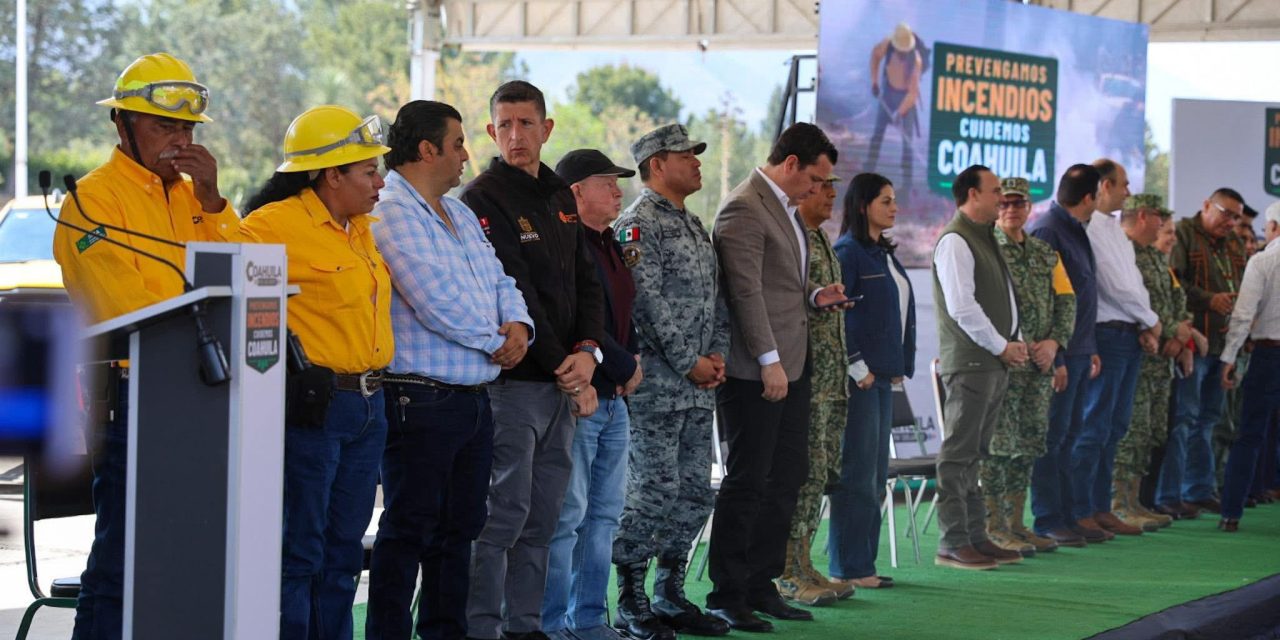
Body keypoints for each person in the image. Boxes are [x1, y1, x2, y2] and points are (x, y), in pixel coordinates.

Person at [52, 52, 238, 640]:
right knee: (123, 557)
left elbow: (243, 273)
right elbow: (123, 306)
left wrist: (211, 201)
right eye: (164, 126)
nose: (179, 141)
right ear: (123, 125)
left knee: (190, 552)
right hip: (133, 393)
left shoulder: (190, 197)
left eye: (187, 129)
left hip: (204, 389)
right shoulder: (90, 201)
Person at [364, 100, 532, 640]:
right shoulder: (390, 209)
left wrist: (520, 327)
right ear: (426, 149)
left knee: (459, 531)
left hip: (472, 398)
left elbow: (501, 279)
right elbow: (433, 298)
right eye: (458, 143)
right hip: (419, 397)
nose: (466, 154)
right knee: (409, 530)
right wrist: (495, 342)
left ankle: (443, 633)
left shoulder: (456, 211)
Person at [238, 105, 393, 639]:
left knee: (344, 551)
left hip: (370, 405)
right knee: (299, 550)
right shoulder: (269, 228)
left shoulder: (362, 229)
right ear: (331, 175)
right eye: (369, 171)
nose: (379, 182)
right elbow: (227, 298)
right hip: (313, 410)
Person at [459, 80, 606, 640]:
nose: (515, 135)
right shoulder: (483, 197)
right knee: (503, 517)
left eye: (526, 123)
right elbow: (515, 293)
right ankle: (483, 628)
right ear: (491, 131)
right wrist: (567, 369)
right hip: (516, 383)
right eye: (504, 125)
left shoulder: (559, 193)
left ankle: (526, 627)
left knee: (545, 518)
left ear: (547, 129)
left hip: (563, 382)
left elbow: (585, 281)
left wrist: (588, 354)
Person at [707, 122, 847, 631]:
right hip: (756, 370)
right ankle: (728, 592)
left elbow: (780, 286)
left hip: (792, 362)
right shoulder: (744, 207)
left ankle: (762, 583)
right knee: (748, 481)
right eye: (813, 177)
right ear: (789, 164)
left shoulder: (786, 211)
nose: (817, 189)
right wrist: (768, 361)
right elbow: (745, 294)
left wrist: (814, 297)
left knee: (787, 477)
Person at [610, 124, 731, 640]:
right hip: (660, 386)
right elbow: (645, 303)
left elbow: (716, 299)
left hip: (699, 387)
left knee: (692, 493)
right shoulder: (637, 224)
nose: (697, 163)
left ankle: (671, 591)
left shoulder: (694, 224)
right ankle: (630, 599)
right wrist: (689, 362)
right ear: (657, 164)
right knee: (652, 491)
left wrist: (718, 354)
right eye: (688, 155)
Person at [541, 148, 642, 640]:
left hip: (615, 399)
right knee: (569, 517)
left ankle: (588, 620)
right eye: (608, 182)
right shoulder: (567, 245)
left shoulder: (609, 244)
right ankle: (552, 623)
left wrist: (634, 358)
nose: (619, 191)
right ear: (577, 191)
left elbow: (624, 310)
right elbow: (584, 318)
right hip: (582, 397)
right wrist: (627, 363)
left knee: (603, 517)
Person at [930, 164, 1026, 570]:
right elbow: (962, 307)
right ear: (972, 194)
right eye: (994, 191)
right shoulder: (956, 241)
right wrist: (1003, 345)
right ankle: (953, 542)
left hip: (989, 362)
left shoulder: (983, 237)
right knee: (958, 455)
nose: (1001, 197)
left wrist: (1008, 345)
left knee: (975, 454)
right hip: (972, 362)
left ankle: (975, 536)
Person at [980, 177, 1075, 556]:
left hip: (1039, 365)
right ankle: (993, 526)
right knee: (999, 447)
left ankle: (1017, 523)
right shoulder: (986, 249)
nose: (1011, 210)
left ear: (1029, 207)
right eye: (1004, 203)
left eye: (1018, 204)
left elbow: (1066, 300)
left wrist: (1055, 344)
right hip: (1002, 362)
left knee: (1030, 444)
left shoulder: (1045, 254)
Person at [829, 172, 916, 587]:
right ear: (863, 205)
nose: (894, 207)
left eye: (894, 200)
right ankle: (849, 566)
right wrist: (857, 367)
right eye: (885, 200)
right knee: (857, 475)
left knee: (875, 476)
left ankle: (863, 563)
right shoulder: (847, 252)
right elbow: (836, 317)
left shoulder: (883, 253)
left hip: (884, 378)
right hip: (860, 379)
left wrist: (898, 365)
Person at [1073, 159, 1160, 539]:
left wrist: (1145, 320)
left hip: (1128, 331)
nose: (1128, 192)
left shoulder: (1113, 229)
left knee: (1115, 425)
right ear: (1104, 185)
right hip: (1106, 332)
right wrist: (1151, 320)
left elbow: (1135, 283)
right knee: (1094, 425)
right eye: (1123, 185)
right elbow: (1111, 284)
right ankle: (1080, 509)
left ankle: (1100, 506)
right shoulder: (1090, 225)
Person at [776, 172, 852, 605]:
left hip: (829, 377)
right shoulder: (794, 236)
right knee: (801, 474)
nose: (829, 195)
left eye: (831, 188)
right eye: (822, 186)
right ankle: (786, 572)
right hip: (804, 374)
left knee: (819, 474)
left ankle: (804, 562)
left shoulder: (820, 238)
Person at [1156, 188, 1248, 516]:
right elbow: (1174, 283)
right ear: (1206, 205)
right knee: (1184, 418)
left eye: (1237, 217)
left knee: (1209, 420)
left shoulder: (1236, 244)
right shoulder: (1182, 234)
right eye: (1226, 213)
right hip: (1191, 344)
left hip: (1223, 344)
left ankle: (1198, 488)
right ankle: (1170, 493)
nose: (1232, 222)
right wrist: (1210, 299)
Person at [1026, 164, 1103, 548]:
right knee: (1052, 437)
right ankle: (1048, 517)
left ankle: (1070, 514)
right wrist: (1056, 357)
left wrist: (1089, 347)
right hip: (1058, 353)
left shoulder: (1075, 231)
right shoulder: (1048, 231)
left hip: (1078, 348)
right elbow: (1044, 303)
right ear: (1091, 196)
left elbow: (1080, 296)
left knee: (1070, 435)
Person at [1111, 195, 1187, 532]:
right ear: (1143, 216)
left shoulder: (1154, 258)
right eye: (1160, 218)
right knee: (1131, 432)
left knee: (1151, 432)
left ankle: (1135, 501)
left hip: (1160, 360)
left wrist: (1178, 332)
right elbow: (1130, 301)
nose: (1162, 226)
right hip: (1140, 355)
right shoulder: (1124, 253)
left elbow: (1173, 300)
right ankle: (1119, 504)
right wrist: (1169, 330)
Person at [1217, 200, 1280, 531]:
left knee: (1249, 435)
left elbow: (1242, 315)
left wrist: (1229, 357)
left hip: (1269, 356)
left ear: (1273, 228)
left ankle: (1231, 513)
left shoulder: (1262, 261)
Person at [866, 22, 925, 192]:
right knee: (877, 135)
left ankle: (907, 184)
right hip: (888, 93)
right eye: (899, 50)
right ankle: (868, 170)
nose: (900, 53)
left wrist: (900, 113)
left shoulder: (916, 60)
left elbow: (913, 93)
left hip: (906, 99)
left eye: (903, 51)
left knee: (908, 143)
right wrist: (874, 81)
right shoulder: (888, 45)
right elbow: (875, 56)